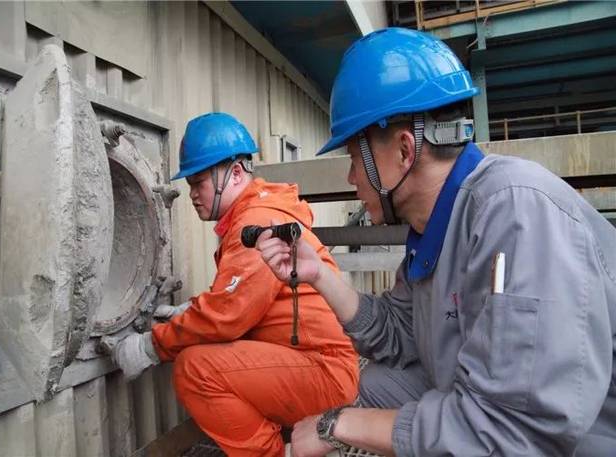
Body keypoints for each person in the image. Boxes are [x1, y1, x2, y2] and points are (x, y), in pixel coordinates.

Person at [256, 28, 616, 457]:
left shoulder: (515, 213)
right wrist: (318, 273)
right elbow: (399, 334)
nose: (352, 179)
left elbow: (511, 433)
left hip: (582, 441)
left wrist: (337, 425)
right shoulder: (436, 232)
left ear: (404, 152)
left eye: (354, 156)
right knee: (375, 385)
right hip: (503, 424)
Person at [112, 112, 359, 456]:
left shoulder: (257, 221)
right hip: (315, 363)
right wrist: (193, 310)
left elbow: (228, 315)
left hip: (324, 373)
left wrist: (150, 347)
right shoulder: (253, 215)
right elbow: (241, 302)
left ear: (236, 174)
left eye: (198, 182)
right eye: (190, 185)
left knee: (196, 369)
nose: (193, 194)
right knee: (202, 358)